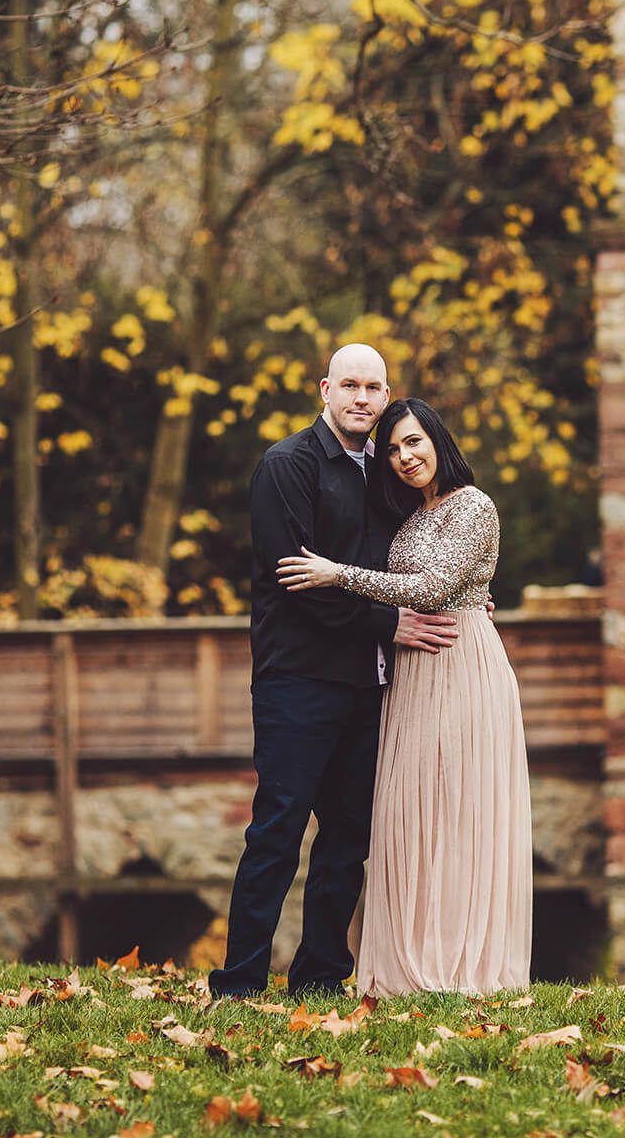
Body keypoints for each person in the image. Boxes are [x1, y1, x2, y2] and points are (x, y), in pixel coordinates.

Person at [208, 346, 462, 1001]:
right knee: (279, 826)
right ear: (326, 389)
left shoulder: (384, 473)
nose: (361, 397)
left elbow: (423, 550)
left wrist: (463, 596)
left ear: (385, 395)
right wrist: (391, 624)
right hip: (299, 679)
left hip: (369, 682)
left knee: (348, 837)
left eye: (373, 387)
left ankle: (320, 975)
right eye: (349, 384)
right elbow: (298, 584)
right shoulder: (286, 466)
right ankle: (238, 983)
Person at [276, 399, 532, 997]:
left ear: (438, 439)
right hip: (410, 672)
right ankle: (405, 960)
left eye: (413, 442)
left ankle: (458, 964)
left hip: (459, 665)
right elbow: (416, 588)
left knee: (458, 813)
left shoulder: (474, 505)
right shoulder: (409, 515)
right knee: (408, 815)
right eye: (392, 450)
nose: (405, 457)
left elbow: (435, 586)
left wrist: (337, 574)